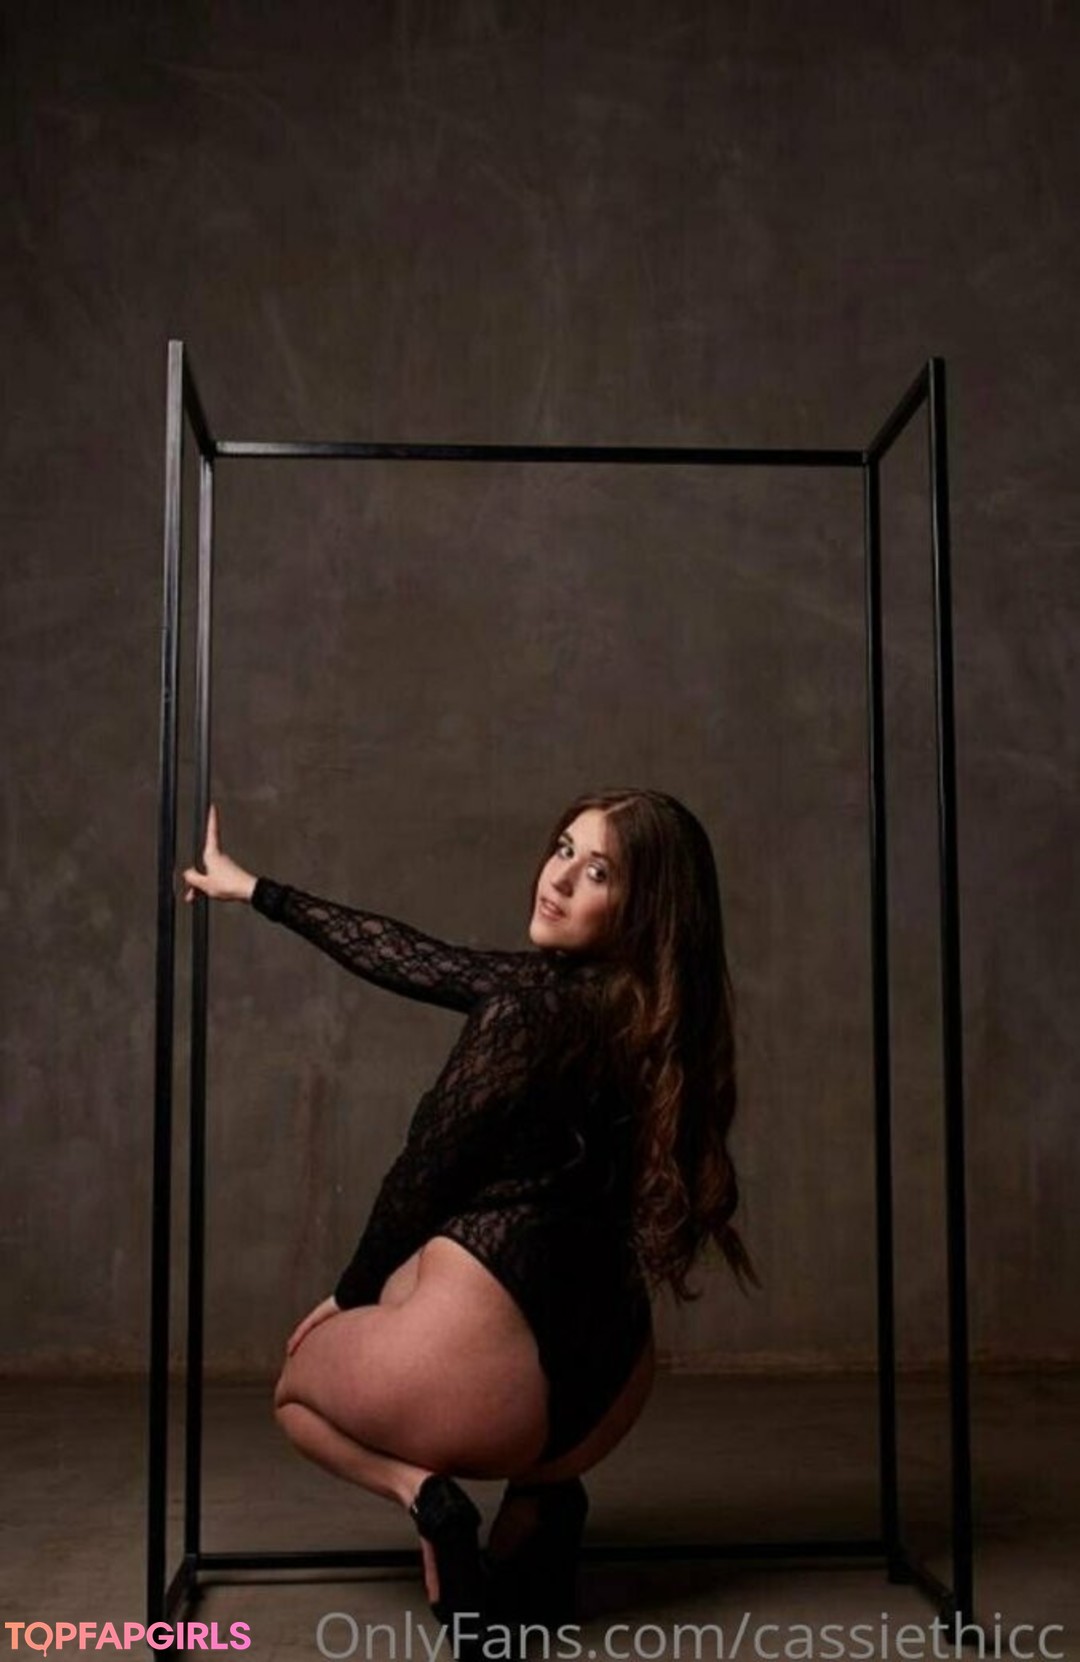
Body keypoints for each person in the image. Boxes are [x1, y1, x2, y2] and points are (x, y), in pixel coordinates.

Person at [182, 788, 756, 1647]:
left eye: (598, 872)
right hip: (608, 1393)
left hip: (491, 1393)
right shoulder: (651, 1015)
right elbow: (417, 959)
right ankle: (542, 1506)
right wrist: (257, 890)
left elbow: (422, 1174)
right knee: (429, 1281)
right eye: (562, 849)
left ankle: (425, 1498)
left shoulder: (523, 1014)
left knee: (296, 1392)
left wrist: (347, 1294)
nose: (557, 879)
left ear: (646, 909)